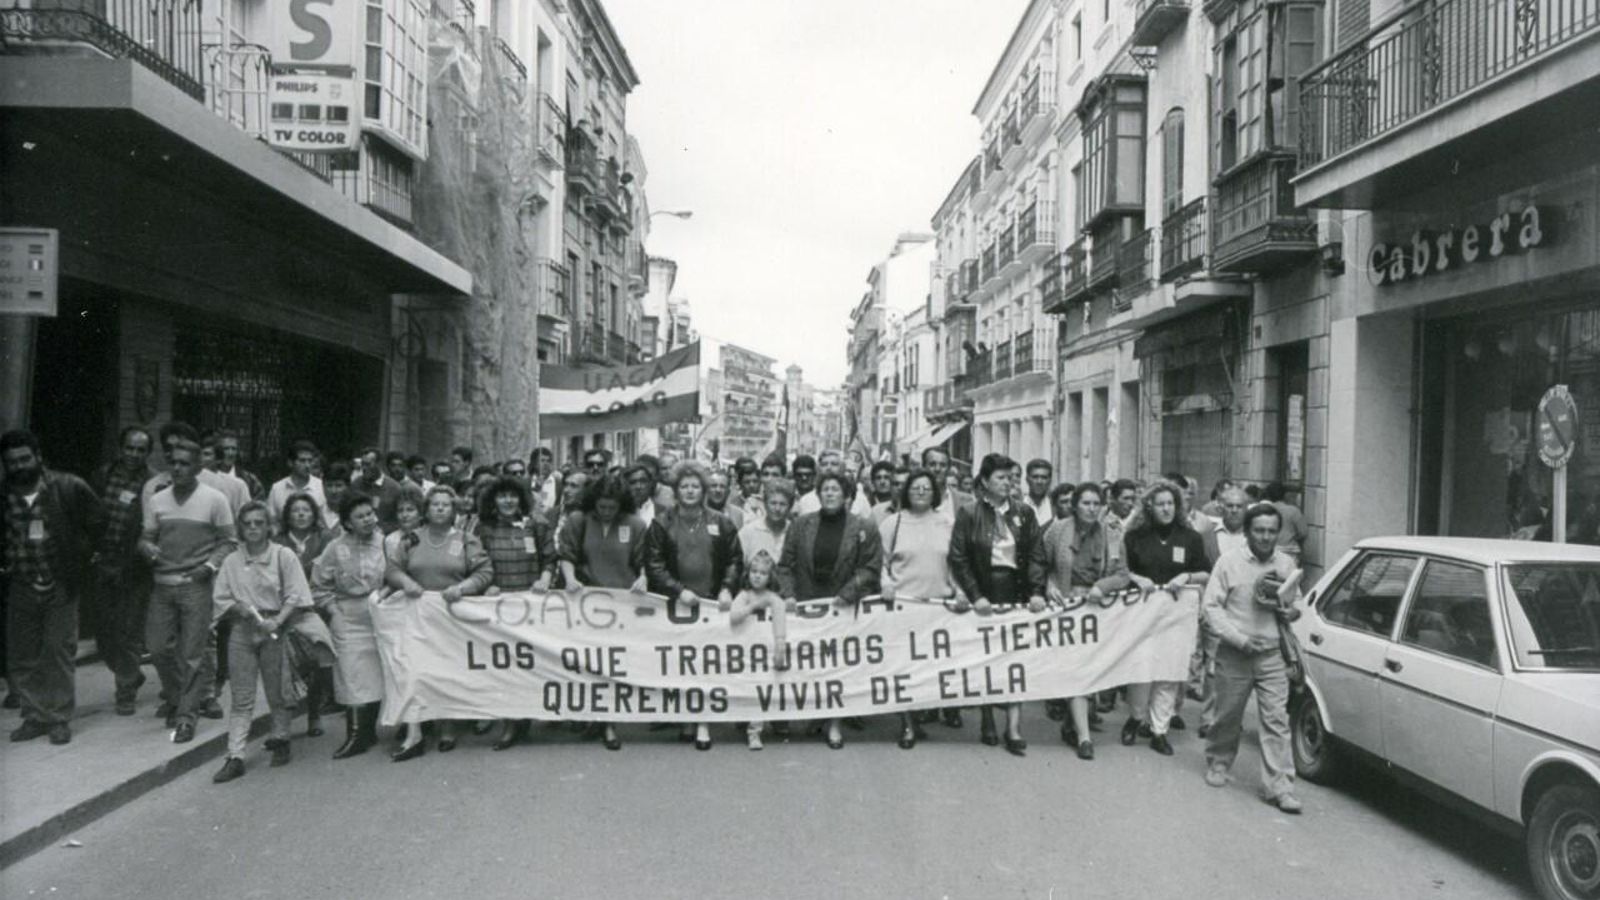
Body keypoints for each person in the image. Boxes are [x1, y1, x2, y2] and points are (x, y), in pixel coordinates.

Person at [210, 501, 329, 782]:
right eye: (247, 524)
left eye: (259, 523)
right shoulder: (232, 561)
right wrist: (237, 608)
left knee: (278, 691)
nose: (253, 528)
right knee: (242, 696)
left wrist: (278, 619)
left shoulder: (282, 556)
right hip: (243, 631)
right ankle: (235, 755)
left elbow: (296, 595)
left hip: (275, 629)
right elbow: (222, 597)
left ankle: (281, 738)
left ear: (268, 526)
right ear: (240, 528)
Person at [1202, 503, 1304, 814]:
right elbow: (1211, 608)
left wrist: (1291, 611)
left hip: (1272, 654)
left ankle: (1280, 787)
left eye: (1271, 531)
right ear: (1247, 532)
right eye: (1259, 530)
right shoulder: (1228, 562)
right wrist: (1240, 639)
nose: (1265, 537)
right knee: (1228, 714)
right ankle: (1219, 762)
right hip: (1235, 652)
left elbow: (1297, 602)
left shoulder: (1286, 563)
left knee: (1276, 720)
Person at [2, 430, 103, 745]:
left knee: (58, 652)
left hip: (61, 584)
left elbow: (98, 523)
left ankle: (58, 718)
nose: (19, 466)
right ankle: (34, 715)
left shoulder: (68, 486)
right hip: (21, 585)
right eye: (12, 461)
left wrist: (81, 561)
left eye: (24, 458)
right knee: (23, 655)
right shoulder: (4, 495)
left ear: (38, 457)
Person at [139, 438, 237, 744]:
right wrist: (147, 548)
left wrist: (208, 567)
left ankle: (185, 717)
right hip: (162, 585)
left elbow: (229, 541)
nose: (177, 468)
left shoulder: (215, 499)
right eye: (173, 463)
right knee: (157, 648)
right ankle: (176, 697)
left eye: (184, 463)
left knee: (193, 654)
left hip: (196, 585)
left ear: (198, 467)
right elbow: (146, 537)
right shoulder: (158, 500)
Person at [383, 485, 493, 757]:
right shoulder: (412, 539)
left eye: (446, 504)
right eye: (435, 504)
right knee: (417, 670)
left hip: (452, 618)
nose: (441, 508)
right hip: (418, 617)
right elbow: (392, 569)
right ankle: (417, 729)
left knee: (449, 671)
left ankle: (448, 726)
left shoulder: (466, 539)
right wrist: (405, 582)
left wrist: (463, 588)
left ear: (454, 510)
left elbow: (484, 571)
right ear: (426, 509)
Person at [776, 471, 880, 750]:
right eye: (825, 489)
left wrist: (848, 593)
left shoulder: (864, 527)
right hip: (807, 606)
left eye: (836, 489)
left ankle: (835, 723)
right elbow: (785, 565)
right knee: (811, 665)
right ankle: (816, 714)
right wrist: (789, 594)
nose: (830, 494)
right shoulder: (801, 525)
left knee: (837, 667)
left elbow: (871, 568)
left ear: (847, 496)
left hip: (842, 608)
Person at [645, 461, 743, 751]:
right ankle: (686, 718)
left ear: (703, 490)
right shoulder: (661, 523)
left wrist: (726, 588)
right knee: (682, 665)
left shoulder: (721, 522)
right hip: (676, 607)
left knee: (707, 666)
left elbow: (735, 560)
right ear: (676, 491)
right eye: (684, 486)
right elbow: (654, 564)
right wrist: (678, 591)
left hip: (711, 605)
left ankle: (703, 723)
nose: (690, 491)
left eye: (695, 486)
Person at [948, 453, 1041, 756]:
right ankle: (987, 716)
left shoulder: (1024, 513)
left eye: (1010, 478)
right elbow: (959, 557)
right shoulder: (969, 513)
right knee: (985, 657)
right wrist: (975, 595)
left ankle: (1013, 727)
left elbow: (1036, 555)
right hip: (984, 590)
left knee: (1016, 658)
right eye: (1000, 478)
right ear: (985, 481)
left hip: (1015, 590)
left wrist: (1036, 591)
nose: (1007, 483)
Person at [1032, 482, 1130, 760]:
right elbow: (1040, 561)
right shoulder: (1057, 530)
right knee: (1076, 671)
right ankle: (1084, 737)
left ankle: (1071, 724)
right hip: (1065, 609)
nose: (1091, 509)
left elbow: (1122, 574)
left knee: (1089, 671)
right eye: (1086, 503)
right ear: (1075, 505)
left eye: (1096, 504)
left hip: (1096, 612)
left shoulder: (1112, 534)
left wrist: (1103, 586)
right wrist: (1047, 585)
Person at [558, 473, 648, 752]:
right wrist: (570, 579)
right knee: (588, 664)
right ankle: (590, 715)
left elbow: (643, 560)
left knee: (612, 666)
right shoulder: (578, 521)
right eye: (602, 506)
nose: (606, 511)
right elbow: (567, 555)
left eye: (612, 507)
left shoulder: (635, 525)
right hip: (587, 605)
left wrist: (643, 577)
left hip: (622, 607)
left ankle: (608, 722)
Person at [1121, 481, 1212, 755]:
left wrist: (1187, 576)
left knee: (1170, 671)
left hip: (1176, 615)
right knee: (1141, 669)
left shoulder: (1190, 538)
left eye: (1170, 503)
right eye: (1160, 504)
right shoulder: (1134, 537)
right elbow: (1121, 572)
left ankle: (1159, 729)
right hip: (1142, 614)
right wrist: (1136, 578)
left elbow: (1205, 573)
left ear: (1178, 506)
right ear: (1149, 506)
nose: (1166, 509)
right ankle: (1136, 717)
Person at [879, 469, 962, 750]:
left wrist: (960, 590)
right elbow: (880, 561)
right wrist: (886, 583)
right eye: (916, 487)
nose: (921, 492)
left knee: (929, 667)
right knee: (905, 667)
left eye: (927, 488)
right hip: (904, 606)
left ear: (935, 493)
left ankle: (919, 715)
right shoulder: (893, 523)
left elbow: (955, 563)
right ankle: (907, 723)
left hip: (938, 608)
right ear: (906, 491)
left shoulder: (948, 523)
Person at [474, 476, 557, 751]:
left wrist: (545, 578)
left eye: (513, 495)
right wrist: (486, 585)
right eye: (502, 496)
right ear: (493, 500)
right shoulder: (484, 528)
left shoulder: (537, 524)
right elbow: (476, 564)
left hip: (531, 607)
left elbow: (550, 559)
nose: (508, 501)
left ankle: (528, 715)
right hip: (498, 608)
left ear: (521, 498)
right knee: (505, 667)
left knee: (530, 665)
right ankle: (510, 723)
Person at [311, 493, 389, 760]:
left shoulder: (387, 543)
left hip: (381, 614)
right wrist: (333, 611)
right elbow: (318, 585)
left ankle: (369, 730)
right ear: (347, 522)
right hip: (348, 616)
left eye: (370, 514)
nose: (367, 520)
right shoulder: (335, 548)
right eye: (360, 516)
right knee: (352, 673)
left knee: (377, 673)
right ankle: (355, 734)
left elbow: (397, 575)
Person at [89, 425, 155, 714]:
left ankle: (125, 691)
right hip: (103, 561)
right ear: (120, 448)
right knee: (104, 634)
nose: (134, 454)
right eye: (129, 448)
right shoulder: (102, 476)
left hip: (134, 565)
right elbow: (89, 514)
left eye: (140, 450)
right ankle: (132, 673)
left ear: (148, 453)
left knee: (129, 631)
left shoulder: (153, 483)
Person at [273, 492, 336, 736]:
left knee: (316, 661)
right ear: (287, 515)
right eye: (295, 510)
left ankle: (314, 713)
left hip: (316, 607)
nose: (301, 515)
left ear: (314, 514)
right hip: (285, 609)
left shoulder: (324, 538)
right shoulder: (278, 541)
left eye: (306, 510)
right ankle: (283, 723)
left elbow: (330, 570)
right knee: (287, 664)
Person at [727, 550, 788, 751]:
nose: (757, 576)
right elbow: (734, 616)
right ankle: (743, 719)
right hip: (745, 653)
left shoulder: (773, 598)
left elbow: (780, 615)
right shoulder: (744, 595)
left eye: (763, 573)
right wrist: (753, 606)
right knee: (745, 687)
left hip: (764, 654)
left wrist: (780, 643)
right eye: (754, 571)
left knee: (762, 688)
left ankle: (755, 731)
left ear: (770, 576)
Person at [269, 441, 331, 527]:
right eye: (302, 461)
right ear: (290, 463)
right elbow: (271, 520)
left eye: (310, 461)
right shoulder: (277, 488)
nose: (307, 465)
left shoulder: (321, 486)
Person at [738, 479, 795, 568]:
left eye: (782, 504)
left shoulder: (795, 532)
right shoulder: (748, 532)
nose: (777, 508)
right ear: (764, 503)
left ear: (790, 507)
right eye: (773, 503)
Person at [354, 447, 404, 532]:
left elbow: (401, 519)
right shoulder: (356, 484)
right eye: (362, 464)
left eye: (368, 464)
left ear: (379, 464)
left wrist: (384, 529)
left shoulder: (395, 488)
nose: (364, 468)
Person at [211, 429, 265, 501]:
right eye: (226, 449)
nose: (230, 453)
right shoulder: (210, 477)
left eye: (233, 449)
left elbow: (260, 504)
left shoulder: (250, 480)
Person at [1265, 482, 1309, 558]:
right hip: (1289, 550)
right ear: (1284, 495)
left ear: (1268, 496)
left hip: (1269, 550)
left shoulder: (1264, 510)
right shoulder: (1294, 511)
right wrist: (1293, 537)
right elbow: (1303, 532)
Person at [1022, 459, 1054, 527]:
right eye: (1035, 477)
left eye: (1044, 477)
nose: (1039, 482)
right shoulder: (1018, 504)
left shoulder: (1055, 505)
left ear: (1050, 481)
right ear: (1027, 479)